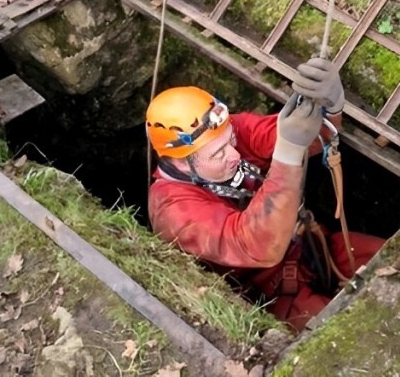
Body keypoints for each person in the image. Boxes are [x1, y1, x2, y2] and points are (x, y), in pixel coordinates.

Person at [144, 58, 386, 330]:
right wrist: (288, 153)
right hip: (271, 292)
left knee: (394, 259)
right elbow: (256, 245)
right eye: (218, 154)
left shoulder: (223, 132)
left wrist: (329, 107)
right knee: (347, 330)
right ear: (180, 162)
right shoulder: (174, 211)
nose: (234, 155)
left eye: (231, 141)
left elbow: (296, 135)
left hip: (313, 246)